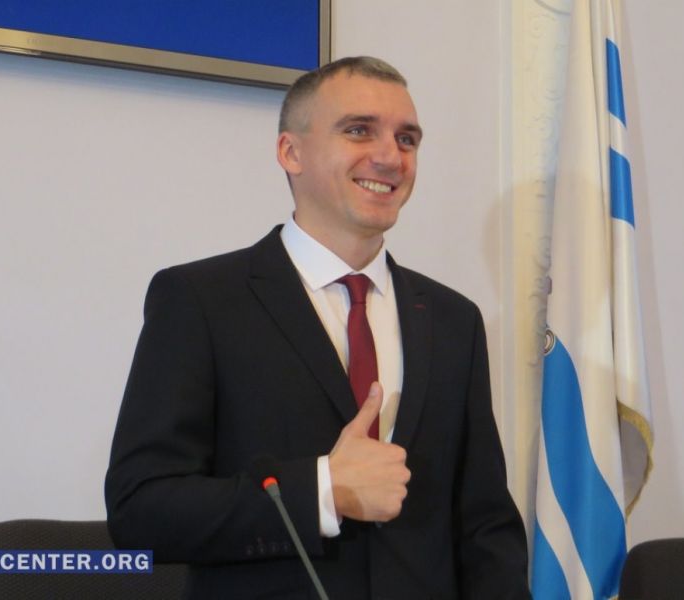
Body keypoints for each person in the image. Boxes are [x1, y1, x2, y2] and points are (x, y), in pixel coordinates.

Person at [105, 56, 530, 599]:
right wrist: (324, 490)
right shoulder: (201, 300)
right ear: (291, 152)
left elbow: (486, 527)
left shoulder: (453, 319)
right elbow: (140, 509)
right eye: (359, 130)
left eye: (406, 139)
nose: (390, 156)